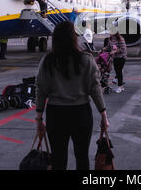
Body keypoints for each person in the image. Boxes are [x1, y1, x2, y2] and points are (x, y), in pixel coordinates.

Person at [35, 21, 109, 170]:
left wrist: (39, 119)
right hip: (80, 113)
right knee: (82, 157)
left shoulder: (47, 61)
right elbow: (95, 88)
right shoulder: (86, 60)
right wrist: (103, 115)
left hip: (56, 114)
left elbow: (41, 90)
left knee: (58, 159)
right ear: (74, 37)